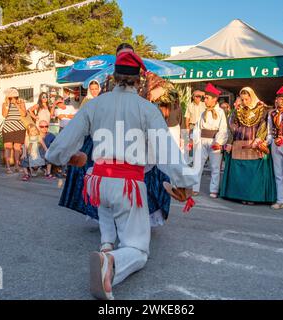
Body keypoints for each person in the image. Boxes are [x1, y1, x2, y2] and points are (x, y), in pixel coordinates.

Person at [46, 51, 197, 300]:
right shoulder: (147, 108)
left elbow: (58, 149)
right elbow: (166, 152)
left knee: (108, 218)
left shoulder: (95, 104)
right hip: (127, 184)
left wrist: (71, 158)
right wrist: (184, 183)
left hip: (97, 182)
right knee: (138, 249)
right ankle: (110, 263)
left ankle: (106, 247)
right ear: (139, 80)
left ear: (113, 77)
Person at [220, 87, 276, 204]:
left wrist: (258, 139)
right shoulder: (237, 111)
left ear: (252, 97)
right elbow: (231, 127)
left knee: (253, 173)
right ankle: (240, 196)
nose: (245, 102)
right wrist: (230, 142)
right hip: (239, 144)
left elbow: (264, 125)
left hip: (254, 144)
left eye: (246, 99)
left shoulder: (262, 110)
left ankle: (252, 197)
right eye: (242, 99)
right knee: (241, 172)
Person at [191, 83, 228, 197]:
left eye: (207, 98)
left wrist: (218, 141)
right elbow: (197, 127)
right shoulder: (203, 112)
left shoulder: (221, 112)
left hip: (214, 141)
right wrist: (194, 140)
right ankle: (194, 188)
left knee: (215, 166)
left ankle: (214, 189)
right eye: (204, 98)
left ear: (215, 99)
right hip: (202, 140)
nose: (205, 100)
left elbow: (223, 129)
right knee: (197, 164)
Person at [2, 88, 27, 174]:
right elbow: (4, 115)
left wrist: (17, 104)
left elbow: (24, 114)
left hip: (19, 127)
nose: (12, 98)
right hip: (8, 127)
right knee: (7, 147)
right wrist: (8, 104)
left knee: (17, 148)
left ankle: (17, 166)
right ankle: (8, 167)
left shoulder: (21, 102)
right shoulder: (5, 103)